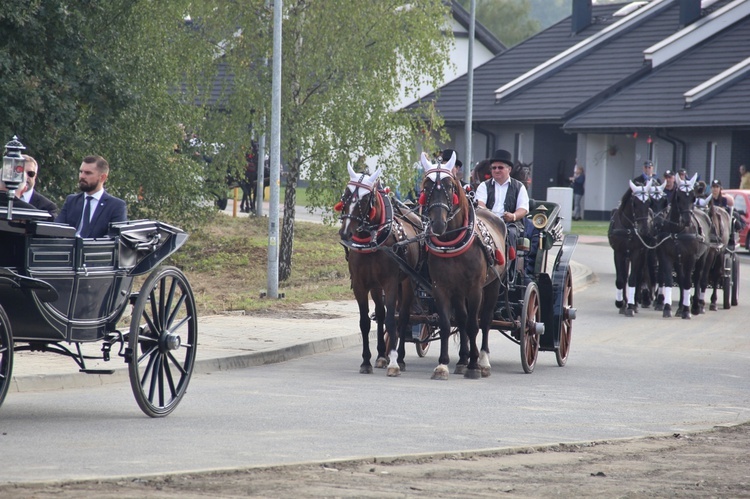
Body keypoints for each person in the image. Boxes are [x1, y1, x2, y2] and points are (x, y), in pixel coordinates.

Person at [56, 155, 127, 238]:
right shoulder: (71, 201)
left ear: (102, 177)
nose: (82, 176)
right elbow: (57, 229)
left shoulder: (116, 206)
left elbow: (114, 237)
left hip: (96, 250)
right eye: (81, 172)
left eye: (88, 173)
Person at [475, 149, 529, 253]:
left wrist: (513, 216)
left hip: (510, 224)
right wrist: (492, 217)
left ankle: (510, 267)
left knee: (511, 234)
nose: (496, 170)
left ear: (509, 169)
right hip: (487, 223)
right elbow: (480, 205)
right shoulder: (483, 186)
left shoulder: (519, 186)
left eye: (500, 167)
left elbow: (523, 209)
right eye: (494, 168)